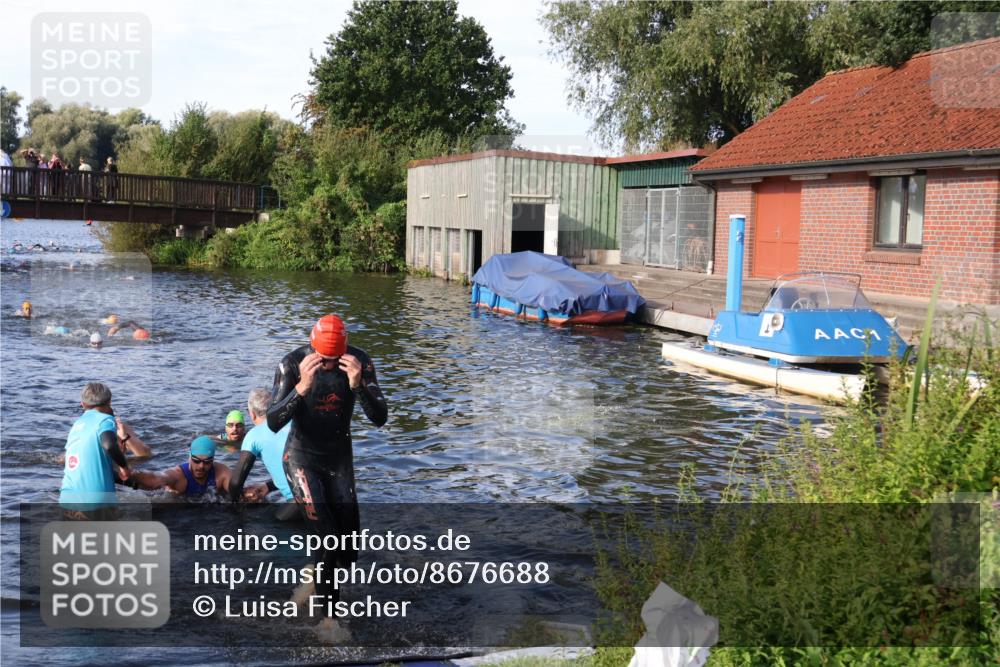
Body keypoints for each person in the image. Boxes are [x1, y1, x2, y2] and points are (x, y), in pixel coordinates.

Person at [267, 313, 388, 641]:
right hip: (302, 460)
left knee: (347, 550)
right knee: (327, 536)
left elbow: (380, 417)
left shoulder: (359, 362)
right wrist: (301, 390)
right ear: (313, 349)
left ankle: (315, 576)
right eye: (324, 360)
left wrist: (358, 386)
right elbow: (273, 422)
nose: (330, 366)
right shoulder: (292, 364)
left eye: (336, 360)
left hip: (338, 462)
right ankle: (328, 620)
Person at [59, 382, 132, 517]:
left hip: (67, 500)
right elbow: (108, 444)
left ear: (82, 404)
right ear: (109, 402)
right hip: (96, 503)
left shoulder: (76, 425)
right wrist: (124, 467)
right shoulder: (105, 420)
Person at [128, 436, 267, 499]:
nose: (201, 466)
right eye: (196, 460)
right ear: (189, 457)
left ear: (213, 460)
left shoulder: (221, 472)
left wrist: (250, 495)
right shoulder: (179, 475)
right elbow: (155, 479)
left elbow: (237, 492)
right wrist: (129, 474)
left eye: (207, 462)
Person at [230, 388, 294, 504]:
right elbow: (292, 468)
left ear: (252, 414)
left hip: (298, 500)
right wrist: (268, 486)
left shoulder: (253, 436)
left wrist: (235, 504)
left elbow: (235, 483)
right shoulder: (293, 422)